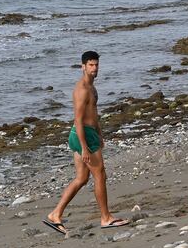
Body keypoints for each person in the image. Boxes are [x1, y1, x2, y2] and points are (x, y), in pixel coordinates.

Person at [43, 51, 129, 234]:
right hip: (83, 135)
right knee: (100, 175)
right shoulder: (82, 90)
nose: (94, 68)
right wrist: (84, 147)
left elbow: (93, 114)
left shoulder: (92, 88)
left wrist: (99, 133)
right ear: (83, 66)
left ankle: (55, 214)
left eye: (96, 65)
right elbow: (78, 120)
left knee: (82, 178)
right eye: (90, 65)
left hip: (88, 134)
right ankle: (106, 218)